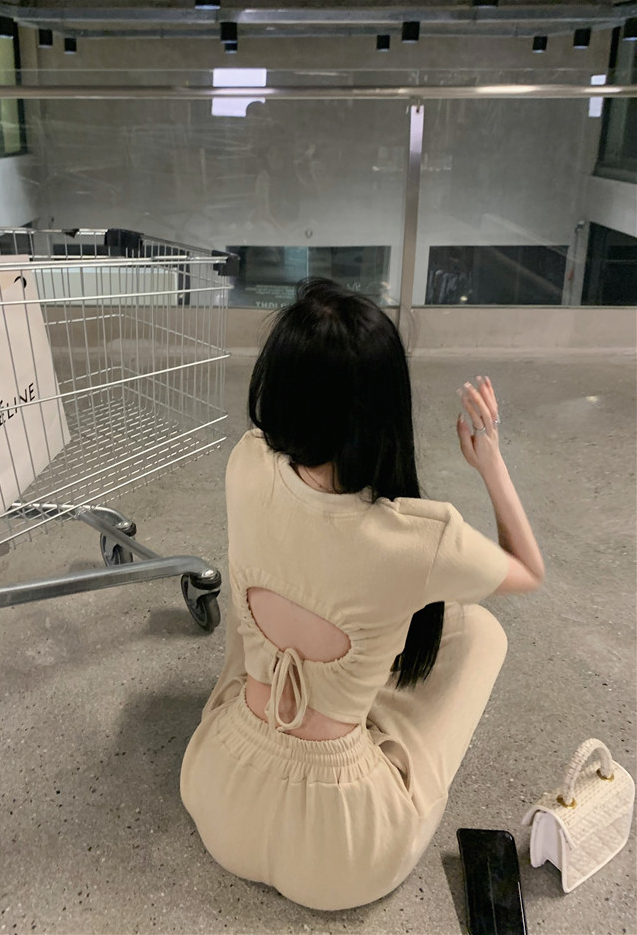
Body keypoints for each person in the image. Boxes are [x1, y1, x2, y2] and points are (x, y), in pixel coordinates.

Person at [180, 277, 545, 911]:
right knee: (480, 630)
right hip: (345, 855)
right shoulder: (421, 540)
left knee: (256, 611)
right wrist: (491, 462)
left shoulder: (244, 465)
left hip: (218, 792)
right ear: (383, 409)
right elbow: (527, 570)